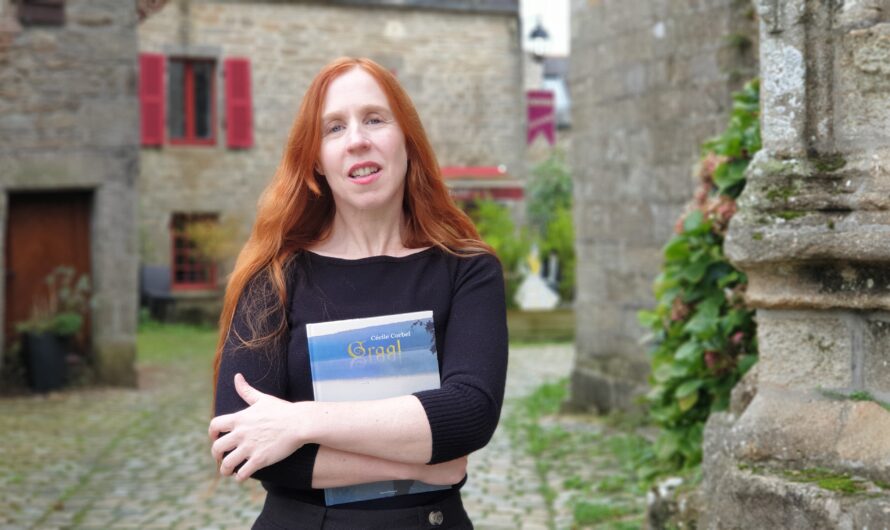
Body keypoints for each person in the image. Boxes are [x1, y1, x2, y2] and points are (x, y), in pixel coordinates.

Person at [208, 57, 509, 530]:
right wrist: (424, 462)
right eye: (334, 128)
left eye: (374, 119)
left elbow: (469, 413)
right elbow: (241, 441)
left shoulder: (468, 270)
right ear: (315, 162)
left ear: (406, 139)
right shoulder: (275, 276)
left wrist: (300, 422)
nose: (357, 140)